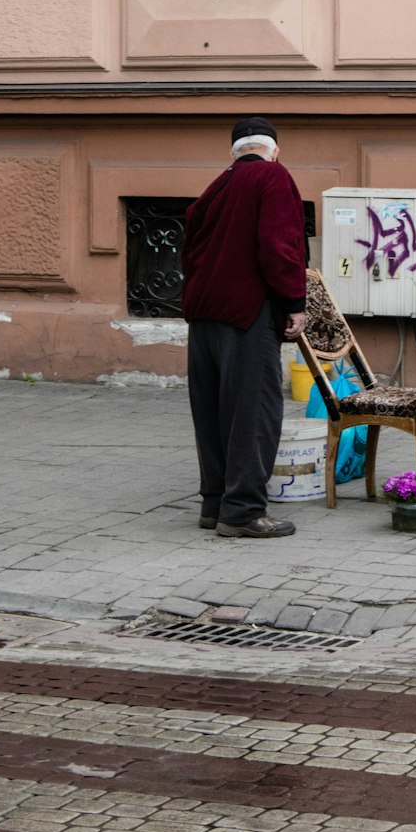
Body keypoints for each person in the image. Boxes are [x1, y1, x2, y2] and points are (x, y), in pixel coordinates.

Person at [182, 116, 307, 537]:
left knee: (214, 412)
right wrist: (294, 302)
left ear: (234, 152)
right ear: (274, 149)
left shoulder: (216, 187)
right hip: (246, 313)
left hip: (203, 315)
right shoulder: (272, 177)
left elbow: (190, 250)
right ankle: (243, 512)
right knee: (253, 413)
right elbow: (279, 245)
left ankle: (215, 504)